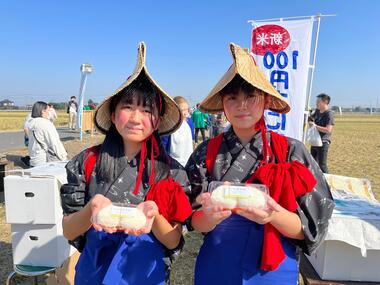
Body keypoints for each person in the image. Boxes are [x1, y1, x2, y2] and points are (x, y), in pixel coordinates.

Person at [185, 43, 334, 284]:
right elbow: (193, 220)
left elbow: (309, 229)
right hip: (217, 264)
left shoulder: (292, 151)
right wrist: (210, 216)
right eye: (232, 98)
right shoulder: (205, 152)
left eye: (251, 97)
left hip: (273, 268)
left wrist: (272, 215)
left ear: (265, 101)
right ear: (223, 104)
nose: (241, 105)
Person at [60, 42, 192, 285]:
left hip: (144, 273)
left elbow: (173, 240)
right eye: (128, 107)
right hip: (94, 270)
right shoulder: (86, 162)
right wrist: (91, 209)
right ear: (113, 114)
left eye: (146, 110)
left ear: (158, 120)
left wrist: (154, 217)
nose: (135, 118)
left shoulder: (173, 172)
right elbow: (69, 230)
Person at [28, 101, 67, 167]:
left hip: (34, 160)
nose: (50, 113)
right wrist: (63, 158)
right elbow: (54, 143)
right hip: (44, 162)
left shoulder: (32, 123)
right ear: (43, 111)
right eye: (48, 110)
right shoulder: (45, 124)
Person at [161, 96, 194, 167]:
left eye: (187, 109)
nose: (185, 113)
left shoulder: (189, 123)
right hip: (174, 164)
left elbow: (191, 139)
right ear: (175, 110)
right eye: (183, 110)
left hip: (188, 161)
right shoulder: (169, 125)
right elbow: (163, 145)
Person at [309, 93, 334, 173]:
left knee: (322, 165)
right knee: (312, 163)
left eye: (318, 101)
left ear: (325, 102)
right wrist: (309, 117)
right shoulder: (317, 111)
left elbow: (328, 130)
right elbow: (310, 119)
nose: (316, 103)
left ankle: (327, 183)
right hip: (315, 142)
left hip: (323, 143)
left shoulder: (329, 114)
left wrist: (315, 126)